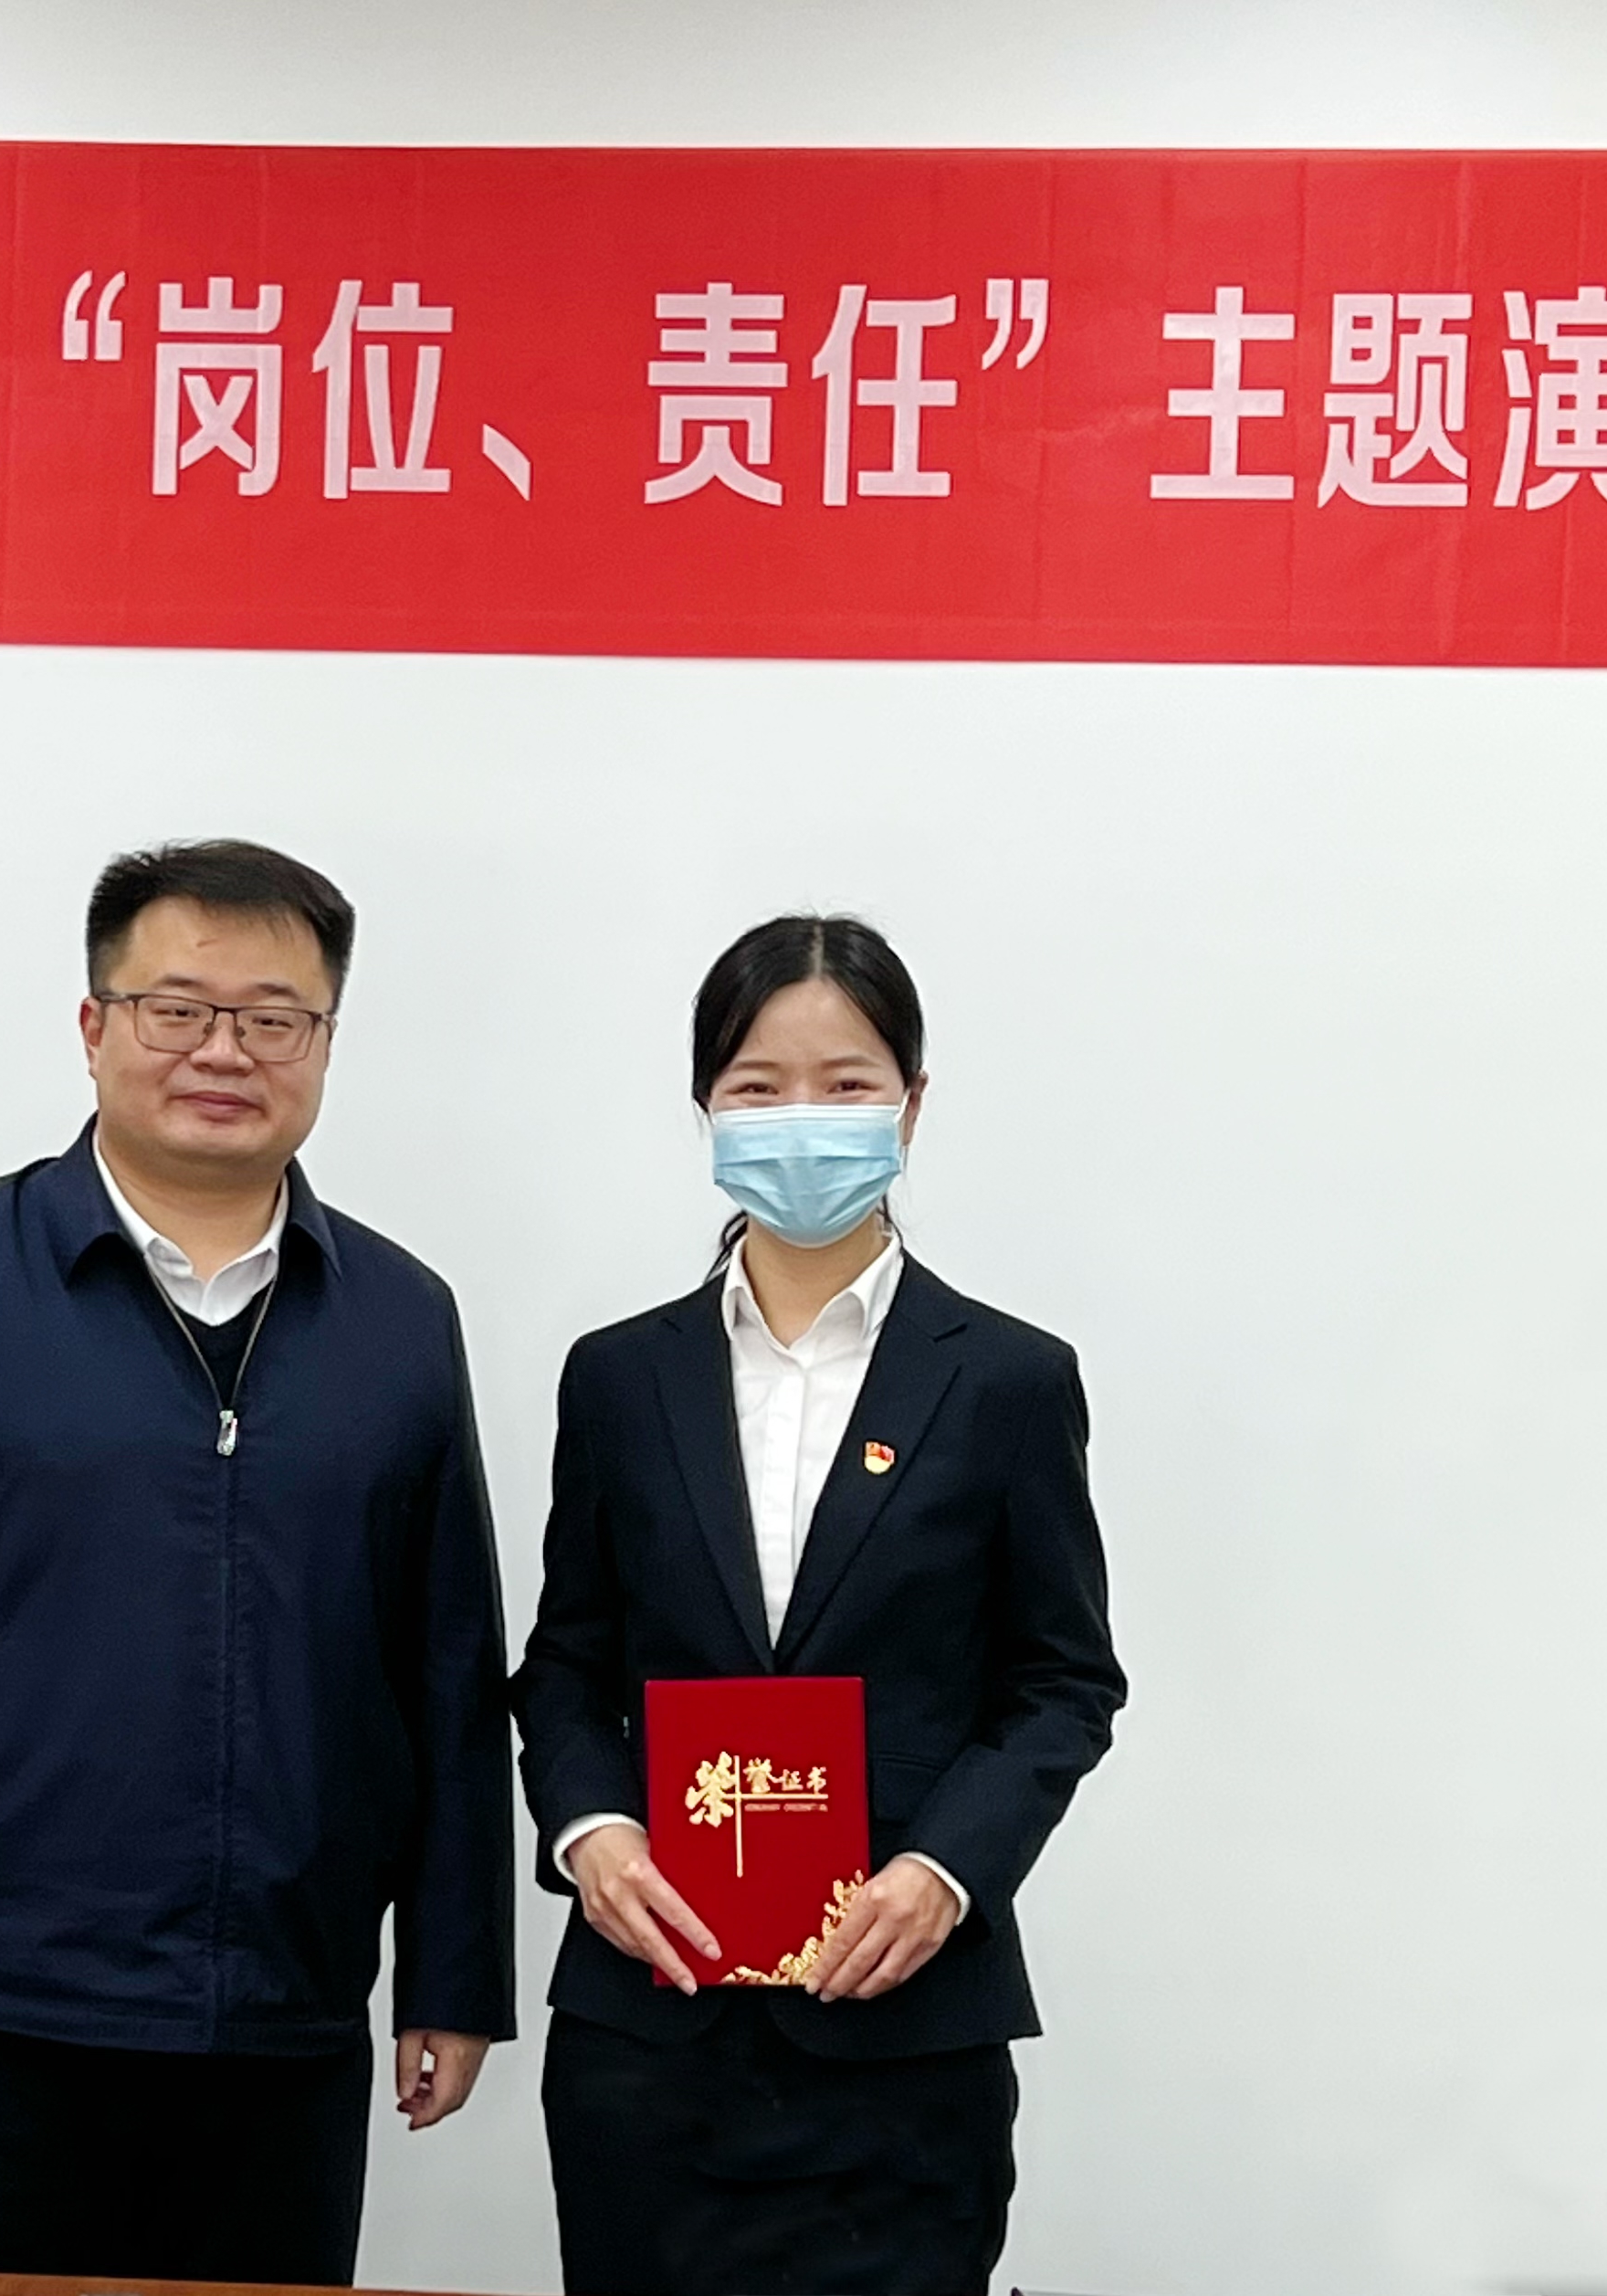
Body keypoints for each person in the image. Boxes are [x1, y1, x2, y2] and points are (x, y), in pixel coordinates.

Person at [0, 839, 515, 2288]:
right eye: (179, 1008)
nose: (225, 1050)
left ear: (324, 1043)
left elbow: (449, 1667)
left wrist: (456, 1971)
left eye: (274, 1016)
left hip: (287, 2007)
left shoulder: (402, 1317)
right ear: (95, 1025)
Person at [511, 912, 1126, 2296]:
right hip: (651, 2025)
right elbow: (567, 1662)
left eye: (846, 1084)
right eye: (759, 1085)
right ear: (706, 1108)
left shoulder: (1008, 1379)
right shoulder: (619, 1377)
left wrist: (946, 1871)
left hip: (903, 2027)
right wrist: (592, 1834)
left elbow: (1063, 1682)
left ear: (912, 1103)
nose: (802, 1118)